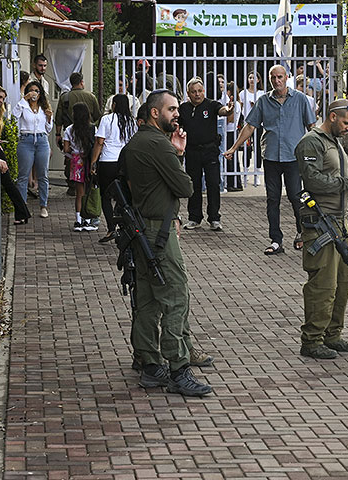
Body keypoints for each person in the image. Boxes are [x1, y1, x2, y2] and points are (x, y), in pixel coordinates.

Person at [122, 89, 213, 397]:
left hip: (142, 231)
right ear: (154, 113)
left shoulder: (136, 142)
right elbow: (185, 186)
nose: (177, 113)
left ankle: (149, 365)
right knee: (175, 296)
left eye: (177, 108)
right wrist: (176, 154)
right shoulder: (158, 145)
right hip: (158, 233)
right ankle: (178, 368)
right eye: (171, 109)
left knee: (147, 299)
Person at [295, 99, 348, 359]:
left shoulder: (335, 141)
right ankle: (312, 339)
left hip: (340, 221)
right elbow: (313, 179)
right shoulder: (311, 142)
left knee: (342, 282)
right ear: (332, 117)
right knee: (322, 284)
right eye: (347, 123)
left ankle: (332, 335)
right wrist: (346, 183)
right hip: (320, 222)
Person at [224, 64, 316, 255]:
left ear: (287, 77)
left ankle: (302, 233)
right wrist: (234, 147)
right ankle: (276, 240)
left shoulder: (300, 99)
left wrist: (318, 153)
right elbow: (250, 126)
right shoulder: (264, 101)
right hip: (272, 156)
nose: (277, 81)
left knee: (296, 197)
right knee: (272, 199)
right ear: (269, 79)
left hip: (292, 157)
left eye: (280, 77)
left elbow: (311, 127)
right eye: (273, 78)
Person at [177, 76, 233, 231]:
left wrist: (229, 109)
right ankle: (194, 217)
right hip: (192, 151)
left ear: (204, 91)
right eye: (193, 92)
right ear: (188, 93)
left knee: (213, 183)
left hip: (210, 151)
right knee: (193, 185)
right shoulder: (184, 108)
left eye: (200, 91)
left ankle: (214, 217)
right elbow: (176, 124)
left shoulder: (212, 105)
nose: (197, 94)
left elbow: (223, 111)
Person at [91, 94, 137, 243]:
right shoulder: (132, 122)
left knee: (105, 196)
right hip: (125, 162)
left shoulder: (107, 119)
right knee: (123, 196)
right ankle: (124, 225)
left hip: (108, 161)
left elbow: (99, 142)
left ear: (114, 105)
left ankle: (111, 228)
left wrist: (93, 161)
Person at [55, 72, 103, 197]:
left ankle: (72, 185)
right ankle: (88, 182)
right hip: (89, 132)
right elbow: (98, 115)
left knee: (71, 159)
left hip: (71, 131)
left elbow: (59, 117)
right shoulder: (90, 97)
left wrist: (57, 133)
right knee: (89, 157)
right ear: (81, 82)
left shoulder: (65, 97)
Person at [12, 81, 53, 218]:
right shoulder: (23, 106)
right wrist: (24, 99)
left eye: (36, 90)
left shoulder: (44, 107)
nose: (34, 93)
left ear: (40, 93)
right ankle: (22, 207)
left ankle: (43, 206)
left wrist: (49, 118)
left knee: (43, 175)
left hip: (42, 140)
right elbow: (14, 115)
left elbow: (48, 129)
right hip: (26, 140)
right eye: (31, 90)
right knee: (23, 176)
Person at [0, 85, 31, 225]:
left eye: (3, 99)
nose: (1, 101)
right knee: (8, 184)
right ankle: (22, 212)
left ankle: (22, 212)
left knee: (8, 183)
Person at [63, 102, 97, 232]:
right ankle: (87, 220)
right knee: (88, 191)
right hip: (88, 160)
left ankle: (78, 220)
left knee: (79, 193)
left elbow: (66, 149)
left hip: (76, 161)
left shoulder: (69, 129)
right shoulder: (92, 128)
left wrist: (72, 151)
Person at [238, 71, 264, 170]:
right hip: (246, 122)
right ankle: (246, 168)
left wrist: (256, 107)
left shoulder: (262, 93)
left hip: (258, 123)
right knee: (246, 147)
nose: (252, 80)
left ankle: (257, 169)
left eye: (254, 78)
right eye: (250, 77)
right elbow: (240, 108)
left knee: (258, 147)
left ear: (258, 80)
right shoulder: (243, 93)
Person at [224, 81, 242, 192]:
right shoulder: (238, 103)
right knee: (232, 158)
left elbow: (229, 120)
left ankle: (234, 183)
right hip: (232, 131)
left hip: (230, 131)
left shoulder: (234, 104)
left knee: (230, 158)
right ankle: (235, 182)